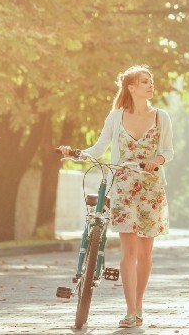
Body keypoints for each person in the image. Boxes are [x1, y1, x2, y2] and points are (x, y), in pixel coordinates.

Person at [59, 65, 174, 328]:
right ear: (131, 87)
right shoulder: (115, 117)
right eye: (145, 81)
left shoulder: (161, 117)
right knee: (128, 252)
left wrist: (157, 160)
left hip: (151, 188)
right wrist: (74, 152)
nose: (150, 85)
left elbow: (169, 151)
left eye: (151, 81)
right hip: (123, 187)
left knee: (145, 253)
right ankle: (130, 311)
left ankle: (139, 303)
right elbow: (99, 149)